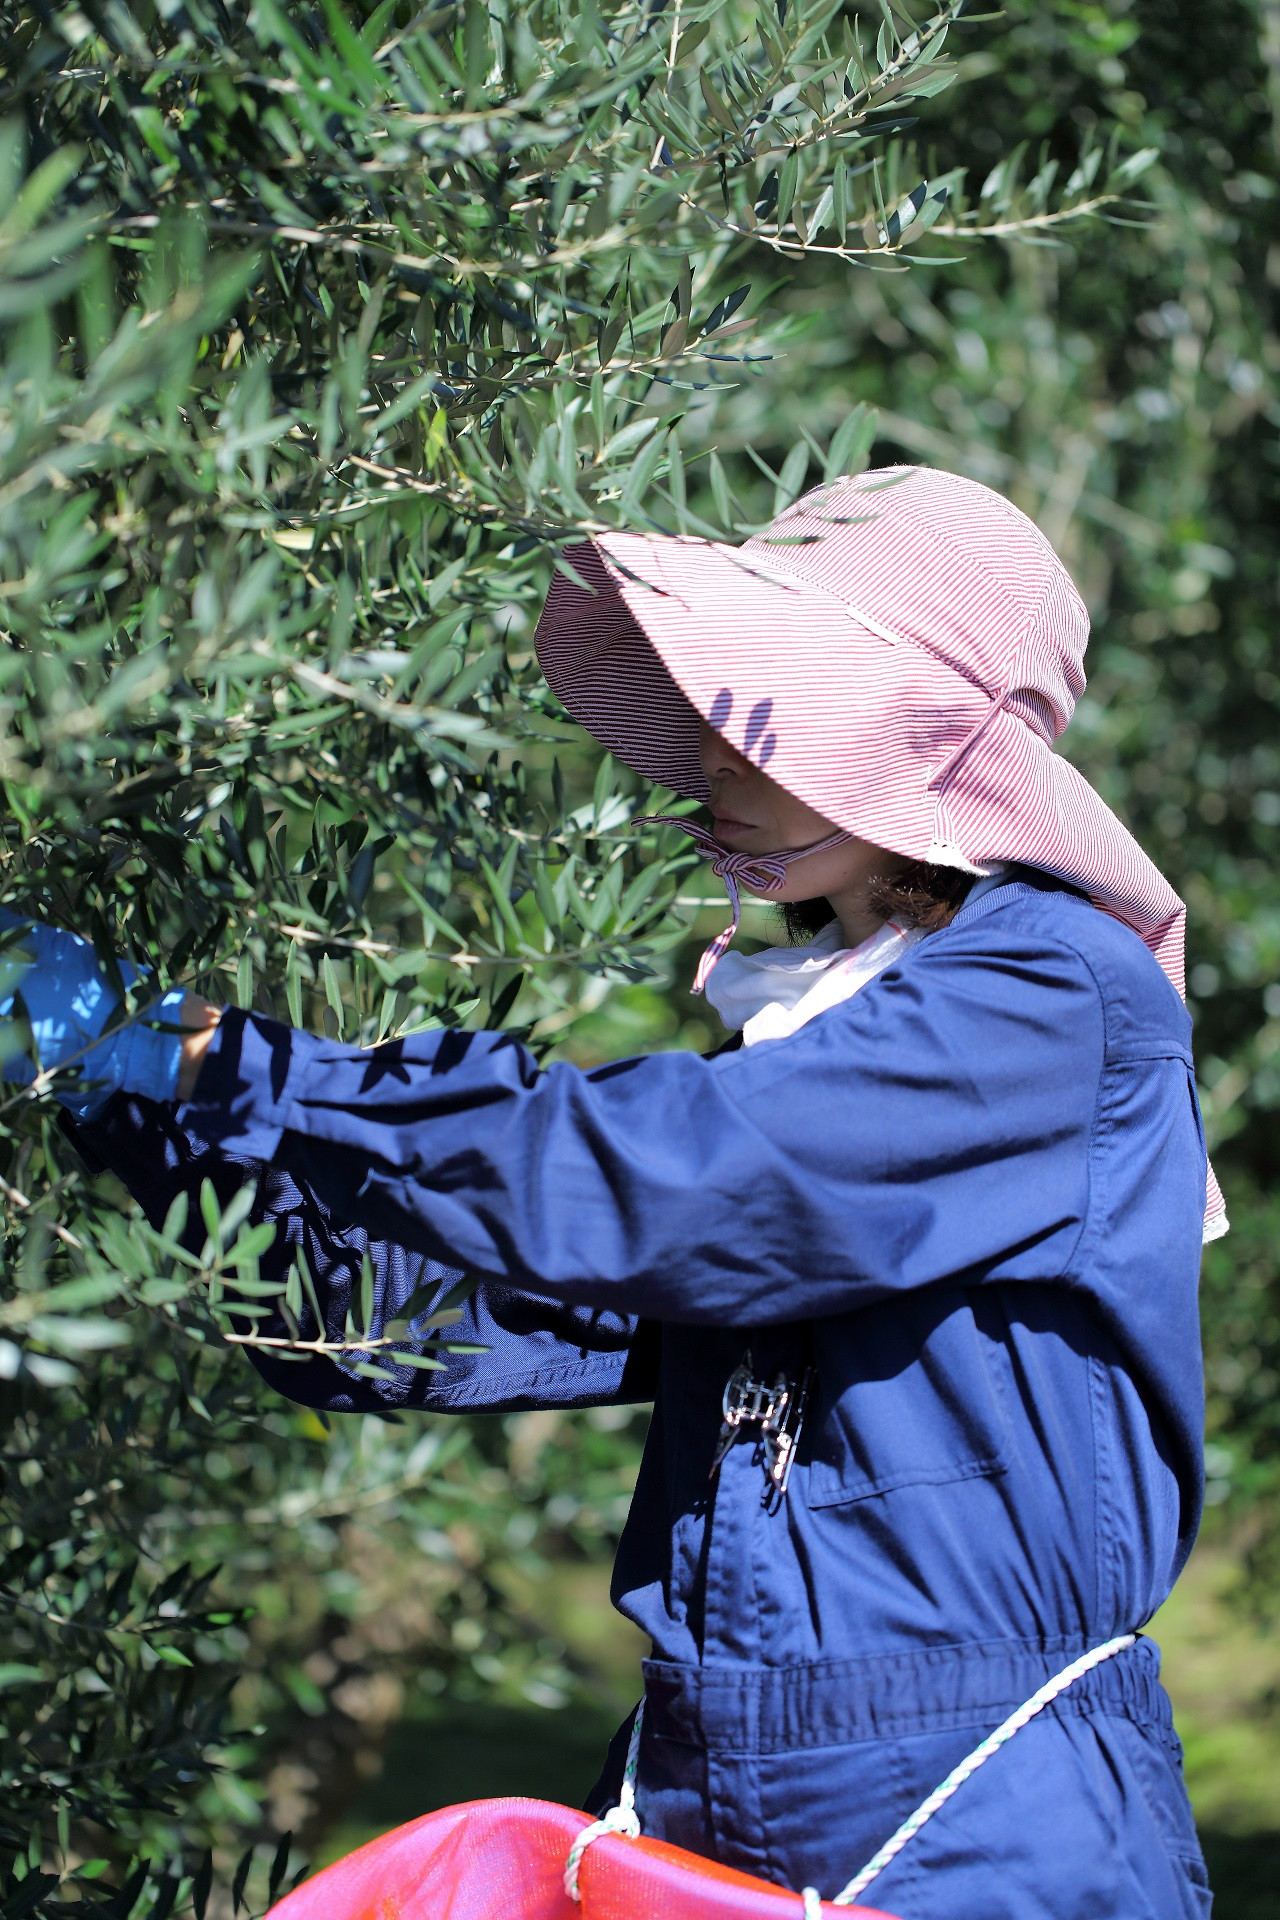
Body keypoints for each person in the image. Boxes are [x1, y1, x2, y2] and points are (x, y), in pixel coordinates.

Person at [2, 467, 1224, 1919]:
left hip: (985, 1817)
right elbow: (401, 1326)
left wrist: (233, 1064)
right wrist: (125, 1092)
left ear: (918, 739)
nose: (717, 742)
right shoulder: (825, 1026)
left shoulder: (1049, 1000)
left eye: (774, 698)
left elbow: (656, 1181)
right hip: (702, 1788)